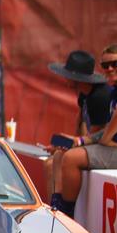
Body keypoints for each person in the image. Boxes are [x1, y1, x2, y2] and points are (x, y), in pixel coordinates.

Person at [56, 44, 117, 217]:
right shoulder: (115, 91)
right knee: (59, 154)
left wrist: (105, 139)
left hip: (116, 148)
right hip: (113, 146)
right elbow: (104, 130)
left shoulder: (102, 95)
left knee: (70, 157)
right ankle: (55, 209)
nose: (109, 69)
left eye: (115, 64)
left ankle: (65, 216)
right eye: (105, 65)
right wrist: (80, 141)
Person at [44, 50, 110, 206]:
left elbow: (93, 138)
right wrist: (67, 143)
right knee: (49, 162)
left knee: (60, 158)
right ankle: (55, 207)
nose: (65, 78)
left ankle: (64, 209)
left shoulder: (99, 97)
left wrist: (70, 146)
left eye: (68, 75)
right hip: (89, 142)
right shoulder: (84, 93)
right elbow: (79, 122)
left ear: (77, 79)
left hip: (101, 146)